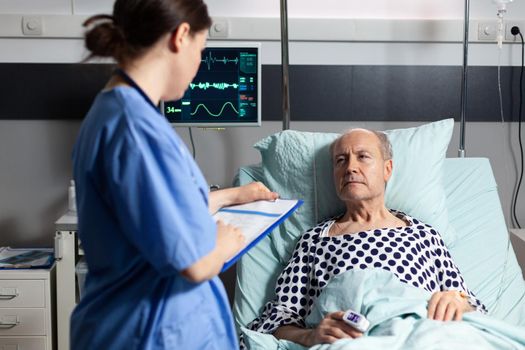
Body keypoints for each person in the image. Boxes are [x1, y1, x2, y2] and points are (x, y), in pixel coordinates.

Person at [71, 1, 278, 348]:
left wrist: (229, 196)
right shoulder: (136, 130)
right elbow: (194, 264)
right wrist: (222, 245)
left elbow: (153, 210)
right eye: (201, 49)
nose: (198, 64)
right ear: (181, 36)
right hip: (149, 333)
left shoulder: (114, 111)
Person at [244, 128, 486, 348]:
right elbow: (277, 321)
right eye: (341, 160)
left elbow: (472, 306)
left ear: (387, 169)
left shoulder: (424, 235)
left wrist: (457, 301)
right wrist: (311, 335)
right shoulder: (314, 241)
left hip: (420, 335)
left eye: (363, 157)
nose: (350, 167)